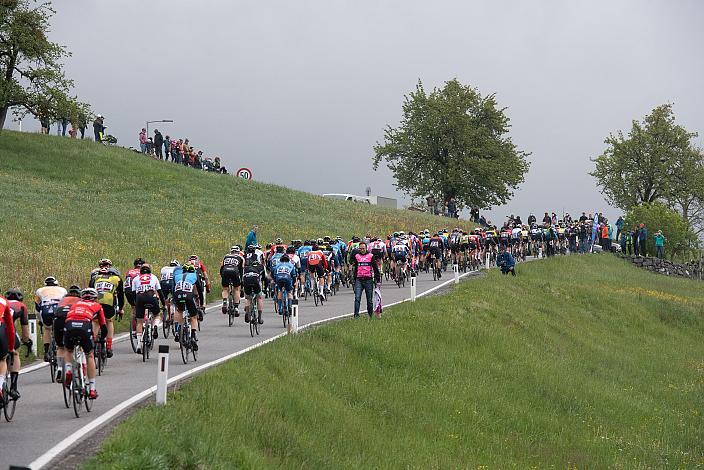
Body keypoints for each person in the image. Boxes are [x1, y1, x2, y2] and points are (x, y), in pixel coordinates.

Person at [63, 288, 107, 399]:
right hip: (84, 326)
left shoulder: (75, 304)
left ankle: (68, 371)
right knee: (90, 355)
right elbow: (103, 326)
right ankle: (92, 389)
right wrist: (101, 340)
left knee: (68, 350)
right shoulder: (97, 306)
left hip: (69, 325)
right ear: (95, 298)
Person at [89, 265, 124, 358]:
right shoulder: (117, 279)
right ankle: (109, 347)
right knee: (109, 321)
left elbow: (90, 291)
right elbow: (121, 296)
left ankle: (93, 344)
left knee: (96, 322)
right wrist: (120, 309)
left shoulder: (95, 277)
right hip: (108, 304)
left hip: (96, 302)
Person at [131, 264, 165, 354]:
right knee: (157, 315)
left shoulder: (135, 279)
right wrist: (164, 304)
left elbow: (133, 294)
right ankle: (155, 326)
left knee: (139, 321)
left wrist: (136, 304)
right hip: (151, 297)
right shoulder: (153, 277)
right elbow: (160, 292)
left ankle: (139, 344)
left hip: (140, 297)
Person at [35, 276, 67, 362]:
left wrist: (40, 321)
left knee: (47, 328)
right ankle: (62, 345)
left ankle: (46, 352)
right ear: (56, 283)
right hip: (59, 310)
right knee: (62, 327)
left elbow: (37, 308)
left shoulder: (39, 290)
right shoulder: (63, 290)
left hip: (46, 309)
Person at [171, 262, 204, 348]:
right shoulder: (194, 275)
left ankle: (178, 331)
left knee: (179, 310)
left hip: (177, 295)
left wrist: (174, 301)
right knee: (193, 317)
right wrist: (201, 303)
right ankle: (193, 336)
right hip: (188, 296)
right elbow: (200, 291)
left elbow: (173, 289)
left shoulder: (176, 276)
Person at [53, 285, 82, 382]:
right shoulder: (80, 300)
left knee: (60, 347)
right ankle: (78, 362)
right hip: (71, 319)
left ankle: (60, 368)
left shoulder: (63, 300)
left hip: (59, 319)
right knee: (77, 343)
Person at [6, 289, 30, 399]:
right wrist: (26, 341)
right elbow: (24, 329)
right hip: (6, 330)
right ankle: (13, 387)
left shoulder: (2, 302)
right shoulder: (21, 306)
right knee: (15, 354)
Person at [352, 242, 381, 317]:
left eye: (363, 248)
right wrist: (354, 279)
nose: (362, 250)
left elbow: (375, 268)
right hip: (359, 279)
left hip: (368, 279)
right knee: (357, 298)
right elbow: (355, 269)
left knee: (369, 300)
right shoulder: (357, 256)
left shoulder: (370, 256)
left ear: (366, 248)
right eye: (360, 248)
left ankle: (370, 315)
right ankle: (356, 315)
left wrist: (378, 280)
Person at [0, 295, 17, 402]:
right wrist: (10, 348)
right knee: (2, 359)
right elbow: (10, 328)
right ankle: (0, 384)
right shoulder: (3, 300)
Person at [220, 246, 245, 316]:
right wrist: (241, 281)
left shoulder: (226, 256)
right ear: (238, 252)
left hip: (225, 271)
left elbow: (221, 267)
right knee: (237, 289)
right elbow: (241, 270)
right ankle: (236, 307)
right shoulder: (241, 258)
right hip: (235, 272)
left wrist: (222, 276)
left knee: (225, 289)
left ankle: (225, 302)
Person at [242, 259, 265, 325]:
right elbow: (264, 278)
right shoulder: (261, 267)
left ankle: (247, 312)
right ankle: (260, 318)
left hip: (247, 281)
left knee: (248, 298)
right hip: (255, 282)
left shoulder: (246, 268)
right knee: (259, 298)